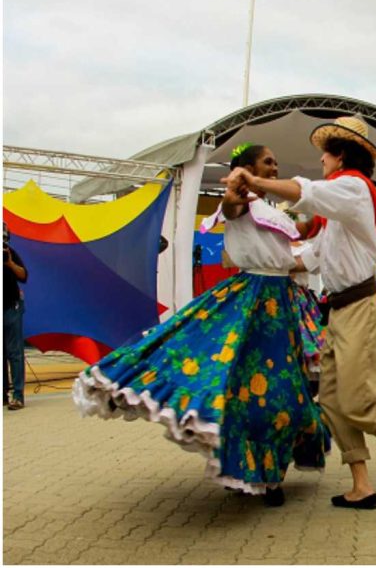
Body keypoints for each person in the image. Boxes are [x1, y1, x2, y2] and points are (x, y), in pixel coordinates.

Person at [74, 144, 327, 507]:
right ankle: (257, 473)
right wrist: (234, 191)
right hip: (253, 299)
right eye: (267, 162)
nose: (274, 166)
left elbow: (297, 238)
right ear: (246, 167)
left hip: (285, 302)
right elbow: (232, 207)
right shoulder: (242, 204)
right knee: (244, 386)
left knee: (287, 389)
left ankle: (269, 471)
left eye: (275, 161)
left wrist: (324, 220)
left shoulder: (273, 210)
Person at [224, 117, 376, 511]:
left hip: (360, 306)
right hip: (340, 309)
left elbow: (305, 192)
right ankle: (362, 485)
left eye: (324, 154)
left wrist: (257, 183)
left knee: (355, 401)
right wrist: (272, 265)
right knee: (329, 399)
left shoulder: (353, 189)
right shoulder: (338, 213)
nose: (321, 161)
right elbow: (312, 257)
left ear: (341, 154)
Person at [3, 224, 29, 410]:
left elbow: (24, 276)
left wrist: (10, 263)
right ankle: (3, 394)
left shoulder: (10, 253)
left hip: (12, 307)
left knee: (15, 354)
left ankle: (18, 396)